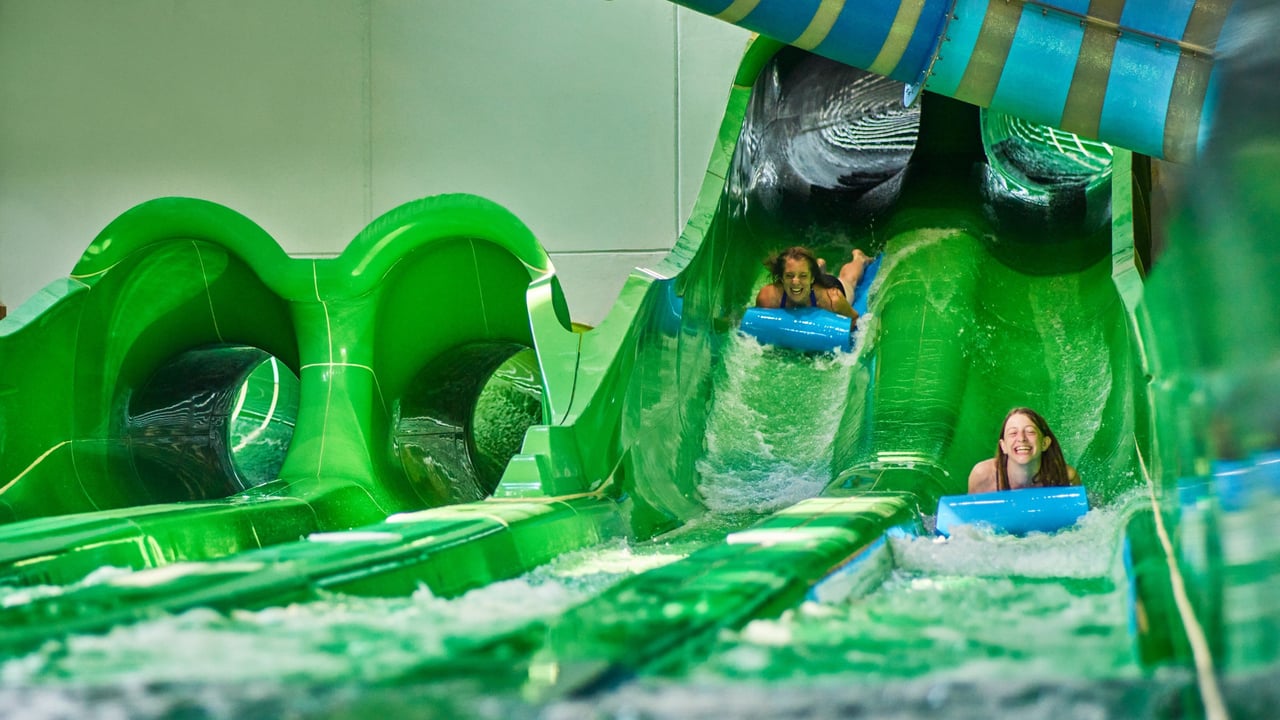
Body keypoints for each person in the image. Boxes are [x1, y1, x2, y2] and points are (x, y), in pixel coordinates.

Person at [968, 407, 1081, 493]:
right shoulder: (983, 476)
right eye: (1013, 433)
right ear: (1004, 447)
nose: (1021, 438)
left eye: (1030, 432)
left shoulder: (1065, 477)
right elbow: (969, 519)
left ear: (1044, 443)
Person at [755, 246, 871, 321]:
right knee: (802, 279)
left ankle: (859, 259)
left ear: (812, 278)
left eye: (803, 276)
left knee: (849, 280)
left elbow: (855, 319)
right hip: (810, 283)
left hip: (828, 285)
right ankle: (817, 267)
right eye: (789, 276)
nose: (795, 282)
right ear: (781, 278)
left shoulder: (832, 300)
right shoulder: (768, 297)